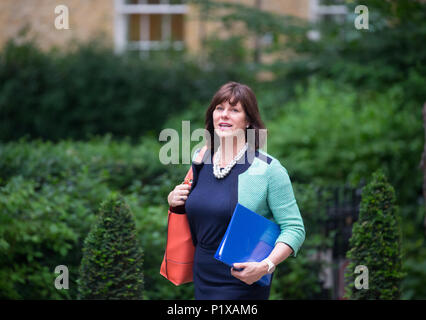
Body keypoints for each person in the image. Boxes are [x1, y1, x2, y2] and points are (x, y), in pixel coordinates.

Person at [167, 81, 305, 300]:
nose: (224, 115)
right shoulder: (201, 159)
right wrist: (174, 200)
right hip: (203, 276)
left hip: (244, 280)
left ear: (248, 120)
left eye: (234, 110)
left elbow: (294, 228)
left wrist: (265, 265)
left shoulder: (268, 169)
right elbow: (200, 210)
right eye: (219, 108)